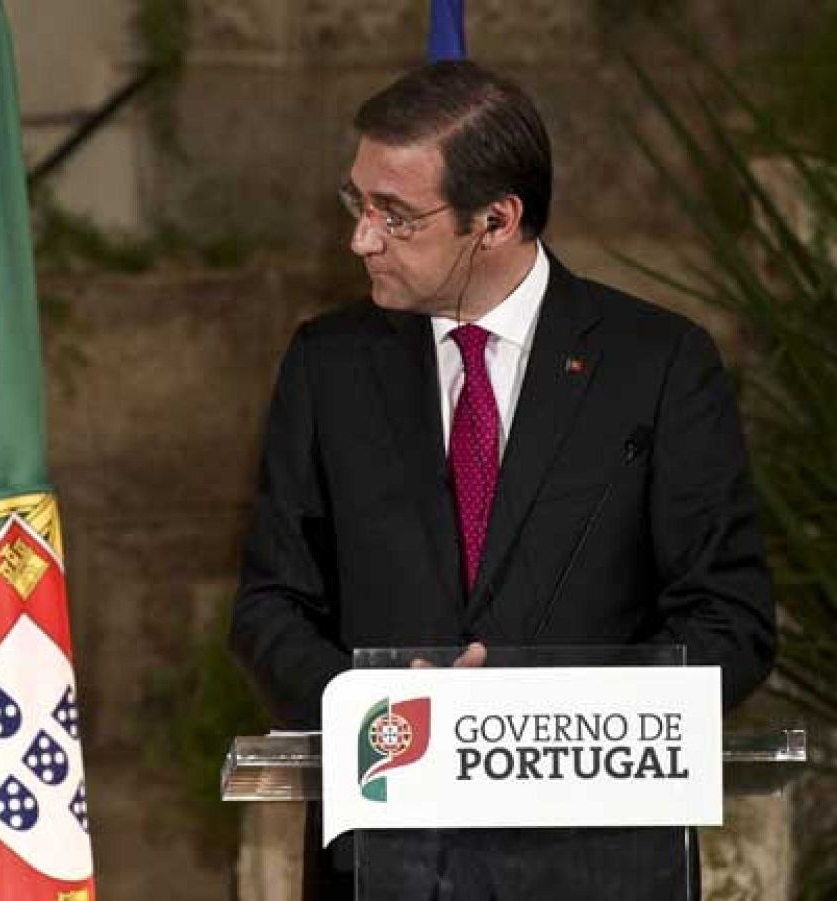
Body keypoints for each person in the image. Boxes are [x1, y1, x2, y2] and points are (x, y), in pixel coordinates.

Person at [230, 61, 776, 898]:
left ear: (496, 219)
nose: (361, 239)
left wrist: (536, 721)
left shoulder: (658, 366)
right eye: (358, 203)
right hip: (388, 858)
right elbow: (270, 607)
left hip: (599, 862)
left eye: (395, 215)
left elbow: (730, 620)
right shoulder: (327, 366)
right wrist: (368, 705)